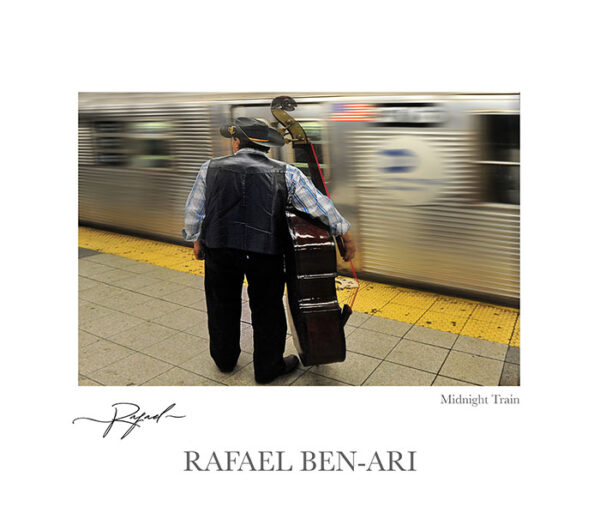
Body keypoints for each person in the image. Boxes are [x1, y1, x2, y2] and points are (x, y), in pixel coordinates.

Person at [183, 117, 356, 384]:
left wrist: (195, 238)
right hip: (265, 252)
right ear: (265, 146)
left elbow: (195, 209)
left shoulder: (210, 168)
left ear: (237, 142)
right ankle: (267, 367)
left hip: (220, 249)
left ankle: (224, 359)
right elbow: (319, 207)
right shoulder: (287, 172)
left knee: (221, 305)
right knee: (267, 310)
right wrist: (343, 231)